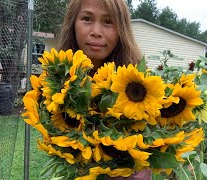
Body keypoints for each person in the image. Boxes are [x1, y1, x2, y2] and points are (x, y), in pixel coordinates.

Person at [57, 0, 150, 179]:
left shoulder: (141, 86)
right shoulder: (57, 83)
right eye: (87, 18)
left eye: (108, 22)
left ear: (121, 29)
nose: (96, 32)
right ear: (72, 24)